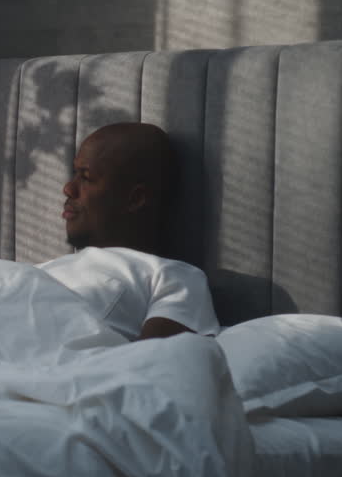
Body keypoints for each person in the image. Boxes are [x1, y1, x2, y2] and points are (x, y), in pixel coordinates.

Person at [38, 122, 219, 342]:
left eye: (85, 177)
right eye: (75, 173)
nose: (68, 188)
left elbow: (154, 363)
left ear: (135, 199)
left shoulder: (173, 277)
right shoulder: (45, 270)